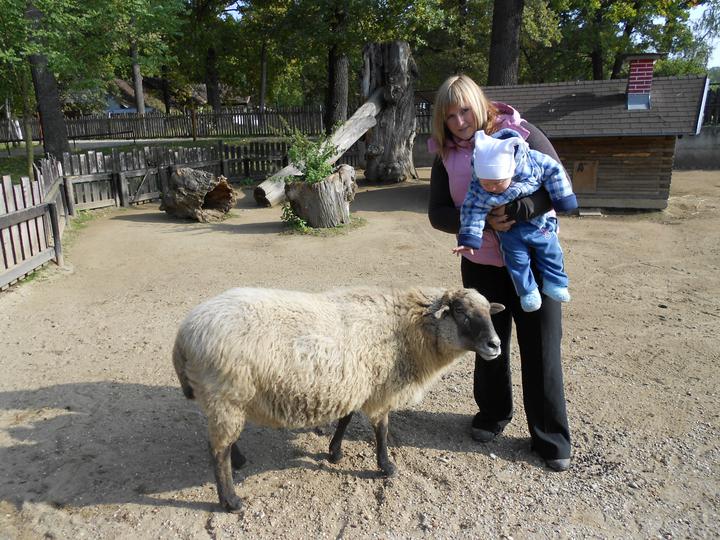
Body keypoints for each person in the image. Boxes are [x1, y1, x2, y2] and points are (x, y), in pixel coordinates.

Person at [427, 74, 571, 472]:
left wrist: (518, 211)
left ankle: (551, 437)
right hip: (481, 266)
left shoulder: (522, 134)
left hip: (535, 264)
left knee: (541, 349)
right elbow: (437, 213)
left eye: (465, 110)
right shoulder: (445, 154)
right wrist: (482, 221)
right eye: (449, 115)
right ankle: (493, 414)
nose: (459, 121)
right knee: (488, 344)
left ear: (479, 103)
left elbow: (557, 183)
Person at [453, 128, 578, 312]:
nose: (492, 188)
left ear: (511, 171)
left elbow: (555, 171)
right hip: (509, 231)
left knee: (551, 251)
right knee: (516, 261)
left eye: (497, 182)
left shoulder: (531, 164)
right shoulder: (479, 187)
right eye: (486, 183)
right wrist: (469, 239)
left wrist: (563, 198)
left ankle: (556, 282)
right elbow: (472, 209)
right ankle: (528, 292)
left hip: (539, 223)